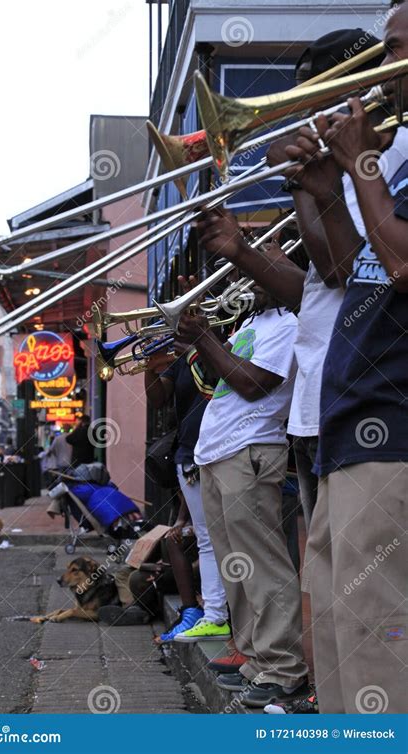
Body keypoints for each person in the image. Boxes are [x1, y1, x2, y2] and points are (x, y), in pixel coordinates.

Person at [195, 29, 385, 533]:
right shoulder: (341, 167)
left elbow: (341, 269)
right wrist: (238, 250)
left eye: (311, 92)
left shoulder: (374, 159)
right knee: (327, 585)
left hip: (355, 400)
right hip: (316, 402)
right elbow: (318, 295)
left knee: (357, 588)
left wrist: (301, 177)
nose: (301, 109)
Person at [281, 4, 408, 713]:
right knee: (335, 626)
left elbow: (401, 264)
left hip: (392, 423)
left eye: (393, 51)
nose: (384, 70)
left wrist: (359, 162)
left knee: (376, 638)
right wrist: (321, 184)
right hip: (351, 423)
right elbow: (354, 268)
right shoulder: (396, 158)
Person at [177, 284, 309, 708]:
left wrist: (203, 336)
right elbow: (217, 379)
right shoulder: (251, 323)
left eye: (251, 274)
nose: (242, 284)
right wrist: (202, 338)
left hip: (250, 450)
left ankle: (284, 669)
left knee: (261, 562)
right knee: (236, 566)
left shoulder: (290, 325)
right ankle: (255, 659)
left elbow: (253, 384)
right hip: (218, 452)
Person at [145, 343, 230, 643]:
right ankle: (208, 614)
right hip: (189, 455)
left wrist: (197, 345)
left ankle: (220, 615)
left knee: (226, 538)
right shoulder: (180, 359)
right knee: (208, 540)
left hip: (223, 450)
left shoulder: (223, 344)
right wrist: (148, 366)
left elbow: (216, 383)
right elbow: (158, 397)